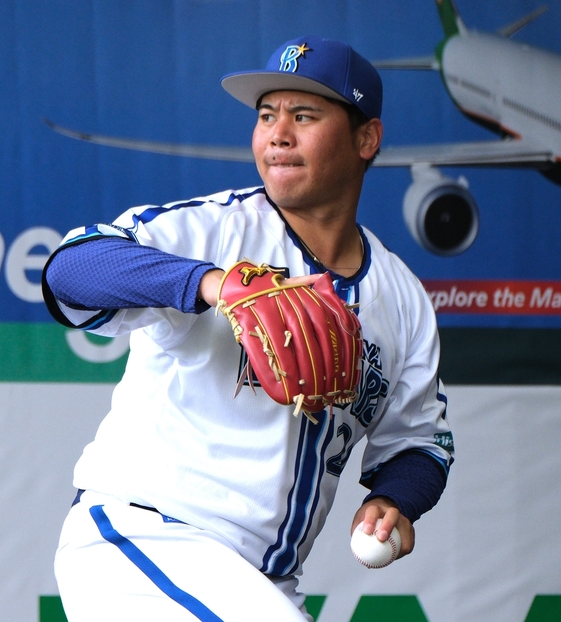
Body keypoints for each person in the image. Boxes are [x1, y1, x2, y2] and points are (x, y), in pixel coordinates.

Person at [43, 35, 454, 621]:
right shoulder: (213, 232)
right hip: (148, 540)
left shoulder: (402, 298)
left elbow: (418, 442)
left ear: (367, 138)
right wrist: (214, 284)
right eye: (267, 116)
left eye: (304, 115)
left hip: (263, 583)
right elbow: (70, 269)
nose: (277, 134)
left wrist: (396, 500)